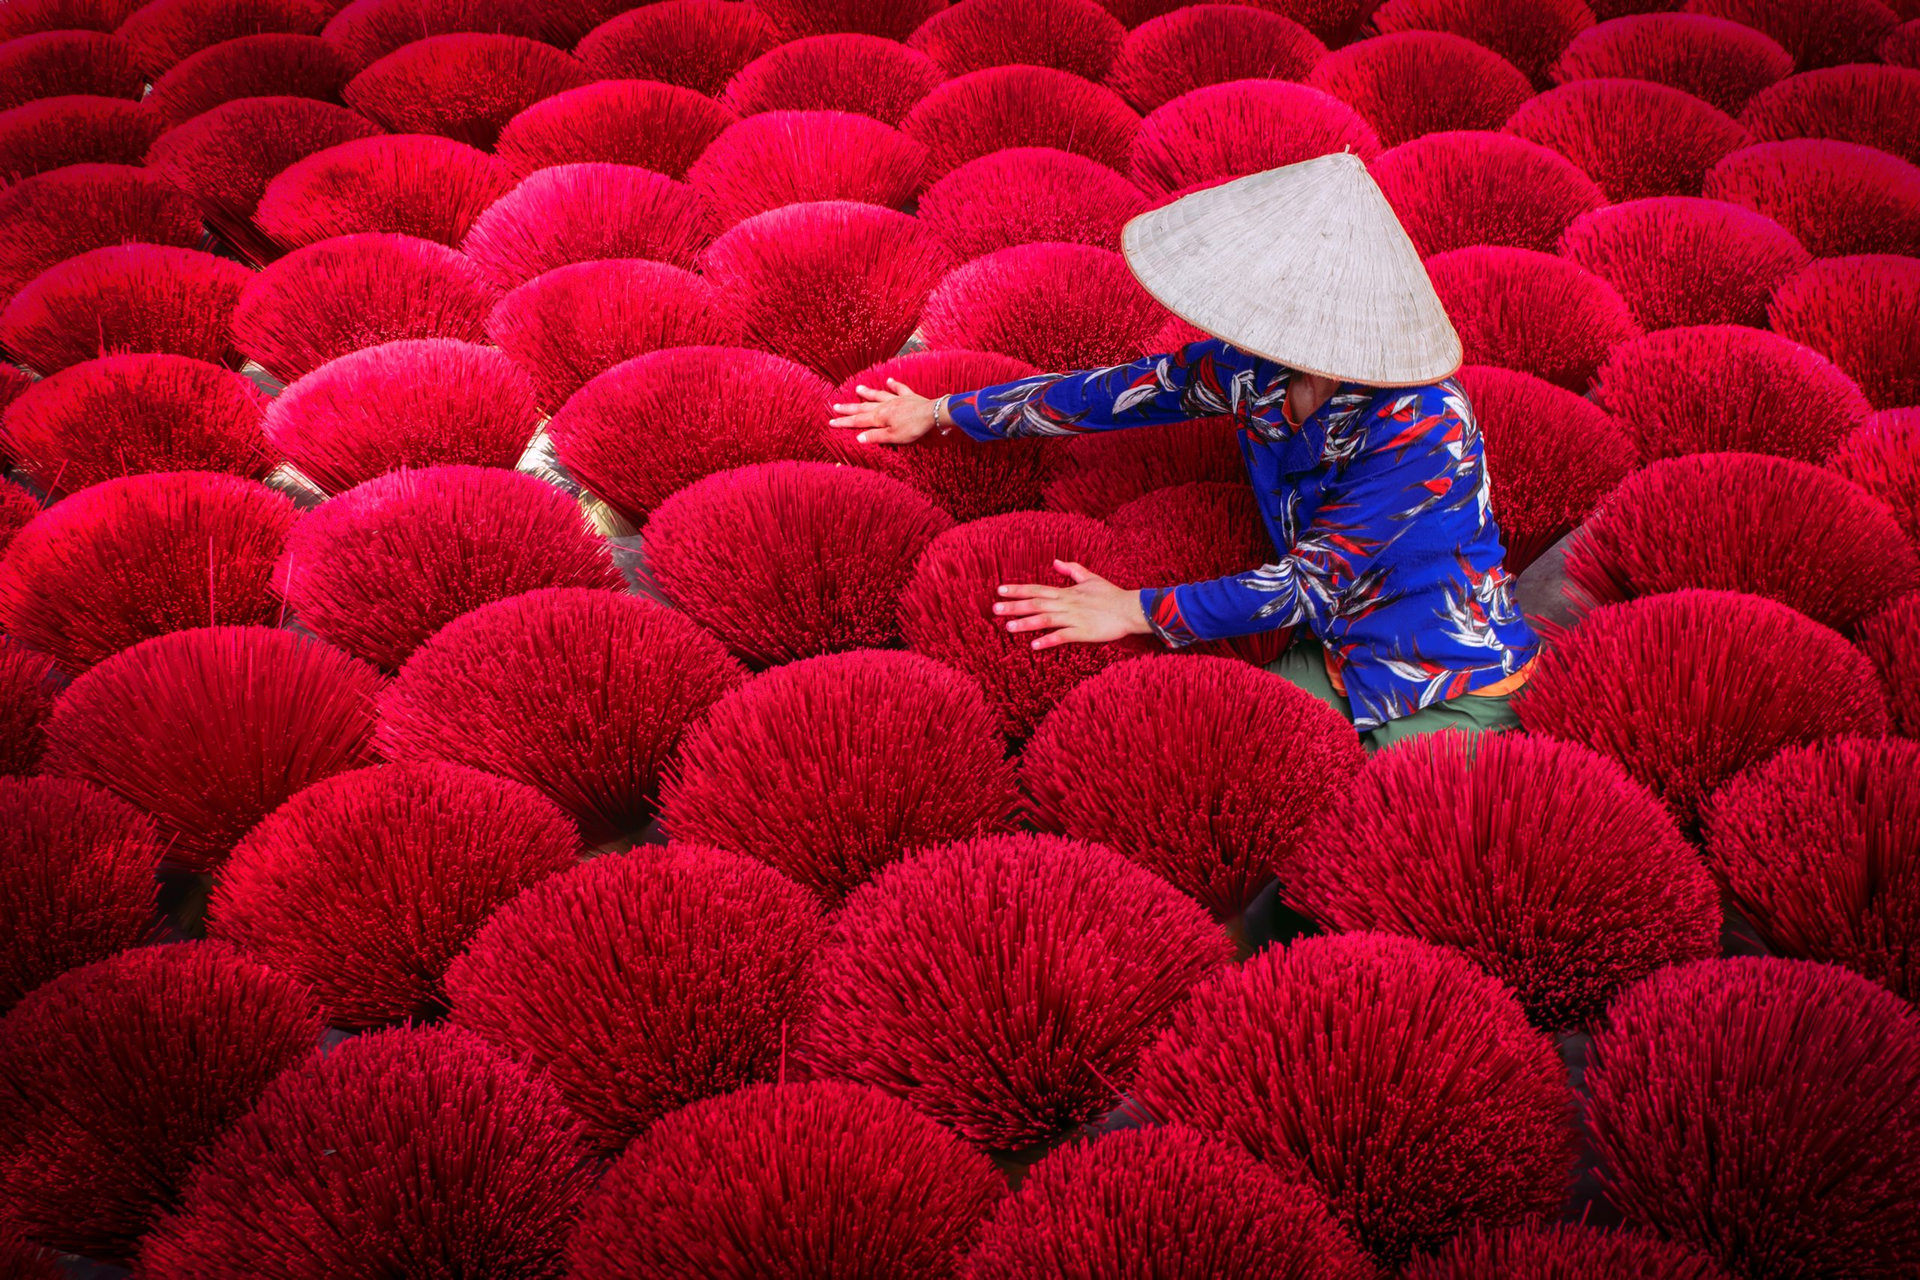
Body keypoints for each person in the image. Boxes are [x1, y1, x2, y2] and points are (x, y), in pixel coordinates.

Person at [830, 152, 1537, 750]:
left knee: (1365, 852)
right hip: (1333, 652)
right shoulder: (1257, 370)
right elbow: (1127, 392)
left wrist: (1132, 609)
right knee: (1214, 760)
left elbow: (1304, 584)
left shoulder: (1424, 425)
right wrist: (948, 411)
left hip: (1448, 675)